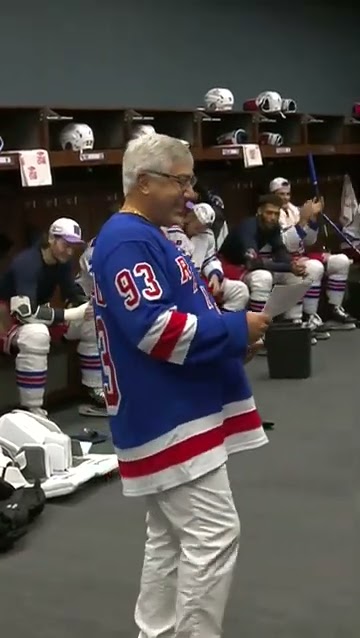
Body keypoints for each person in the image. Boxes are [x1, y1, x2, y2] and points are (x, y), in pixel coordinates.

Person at [91, 133, 270, 638]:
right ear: (144, 182)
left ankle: (157, 633)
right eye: (181, 180)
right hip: (165, 412)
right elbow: (155, 330)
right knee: (213, 533)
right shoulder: (127, 239)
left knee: (169, 537)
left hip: (172, 407)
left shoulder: (148, 234)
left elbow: (182, 312)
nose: (190, 193)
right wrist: (237, 329)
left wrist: (232, 340)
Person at [0, 218, 106, 417]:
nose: (69, 251)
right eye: (65, 244)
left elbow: (71, 292)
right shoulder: (27, 263)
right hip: (6, 319)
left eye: (73, 247)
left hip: (33, 314)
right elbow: (25, 312)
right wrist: (72, 313)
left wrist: (87, 305)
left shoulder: (61, 262)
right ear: (51, 238)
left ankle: (94, 388)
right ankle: (32, 409)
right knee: (36, 334)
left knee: (91, 323)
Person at [270, 177, 356, 331]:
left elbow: (309, 241)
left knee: (341, 261)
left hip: (300, 255)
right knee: (314, 267)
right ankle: (309, 316)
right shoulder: (270, 214)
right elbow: (286, 244)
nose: (285, 198)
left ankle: (334, 310)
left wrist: (313, 221)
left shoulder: (294, 210)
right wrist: (303, 219)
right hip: (280, 261)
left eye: (287, 194)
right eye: (280, 194)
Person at [165, 201, 250, 311]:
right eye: (198, 225)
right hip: (176, 283)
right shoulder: (169, 232)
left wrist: (214, 275)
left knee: (240, 290)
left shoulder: (207, 235)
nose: (201, 229)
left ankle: (224, 322)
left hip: (200, 281)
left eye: (204, 226)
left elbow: (209, 259)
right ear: (189, 218)